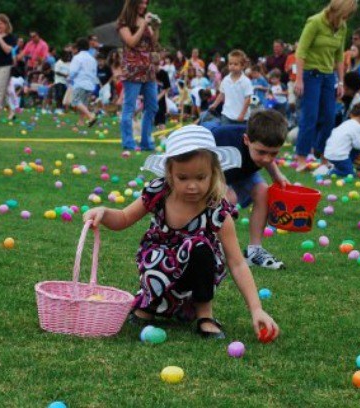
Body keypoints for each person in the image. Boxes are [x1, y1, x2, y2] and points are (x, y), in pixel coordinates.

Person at [83, 125, 279, 340]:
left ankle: (205, 315)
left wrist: (256, 309)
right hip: (159, 264)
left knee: (199, 247)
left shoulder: (218, 209)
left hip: (196, 272)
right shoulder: (159, 192)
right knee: (158, 256)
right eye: (183, 178)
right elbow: (123, 218)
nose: (192, 186)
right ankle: (150, 305)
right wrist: (104, 212)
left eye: (200, 177)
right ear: (170, 173)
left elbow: (238, 263)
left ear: (214, 173)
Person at [208, 110, 289, 269]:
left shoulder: (260, 149)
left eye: (273, 153)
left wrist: (276, 175)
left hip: (240, 171)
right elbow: (203, 160)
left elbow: (266, 158)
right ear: (246, 140)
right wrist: (220, 186)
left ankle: (255, 251)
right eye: (261, 152)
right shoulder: (222, 137)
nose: (266, 158)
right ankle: (213, 247)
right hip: (211, 168)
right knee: (228, 198)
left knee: (263, 191)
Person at [294, 0, 356, 172]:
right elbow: (301, 51)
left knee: (329, 118)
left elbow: (339, 56)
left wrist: (341, 81)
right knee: (310, 117)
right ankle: (301, 157)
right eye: (345, 14)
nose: (346, 18)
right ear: (337, 10)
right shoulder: (315, 22)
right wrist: (299, 79)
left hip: (329, 77)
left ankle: (322, 156)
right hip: (310, 75)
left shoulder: (342, 27)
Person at [117, 0, 160, 151]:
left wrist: (155, 27)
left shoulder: (145, 20)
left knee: (152, 106)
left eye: (145, 3)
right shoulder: (124, 22)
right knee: (129, 107)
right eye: (140, 3)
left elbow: (153, 44)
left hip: (148, 70)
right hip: (132, 70)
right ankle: (128, 143)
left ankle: (146, 141)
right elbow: (132, 42)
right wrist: (143, 25)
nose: (143, 6)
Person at [323, 102, 360, 176]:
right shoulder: (358, 126)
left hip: (329, 153)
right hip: (338, 156)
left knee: (353, 150)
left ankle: (344, 165)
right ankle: (329, 171)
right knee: (350, 173)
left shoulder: (346, 123)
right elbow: (358, 145)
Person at [208, 49, 253, 125]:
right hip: (227, 114)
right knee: (225, 134)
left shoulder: (246, 81)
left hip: (241, 117)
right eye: (230, 64)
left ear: (242, 66)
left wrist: (242, 114)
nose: (232, 66)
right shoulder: (226, 80)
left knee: (239, 136)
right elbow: (222, 94)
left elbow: (247, 99)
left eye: (235, 64)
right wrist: (214, 104)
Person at [68, 38, 98, 127]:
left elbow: (73, 71)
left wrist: (70, 78)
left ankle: (90, 116)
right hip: (90, 84)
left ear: (78, 47)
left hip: (80, 83)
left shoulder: (77, 57)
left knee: (75, 101)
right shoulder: (92, 59)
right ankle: (81, 122)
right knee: (83, 104)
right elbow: (94, 72)